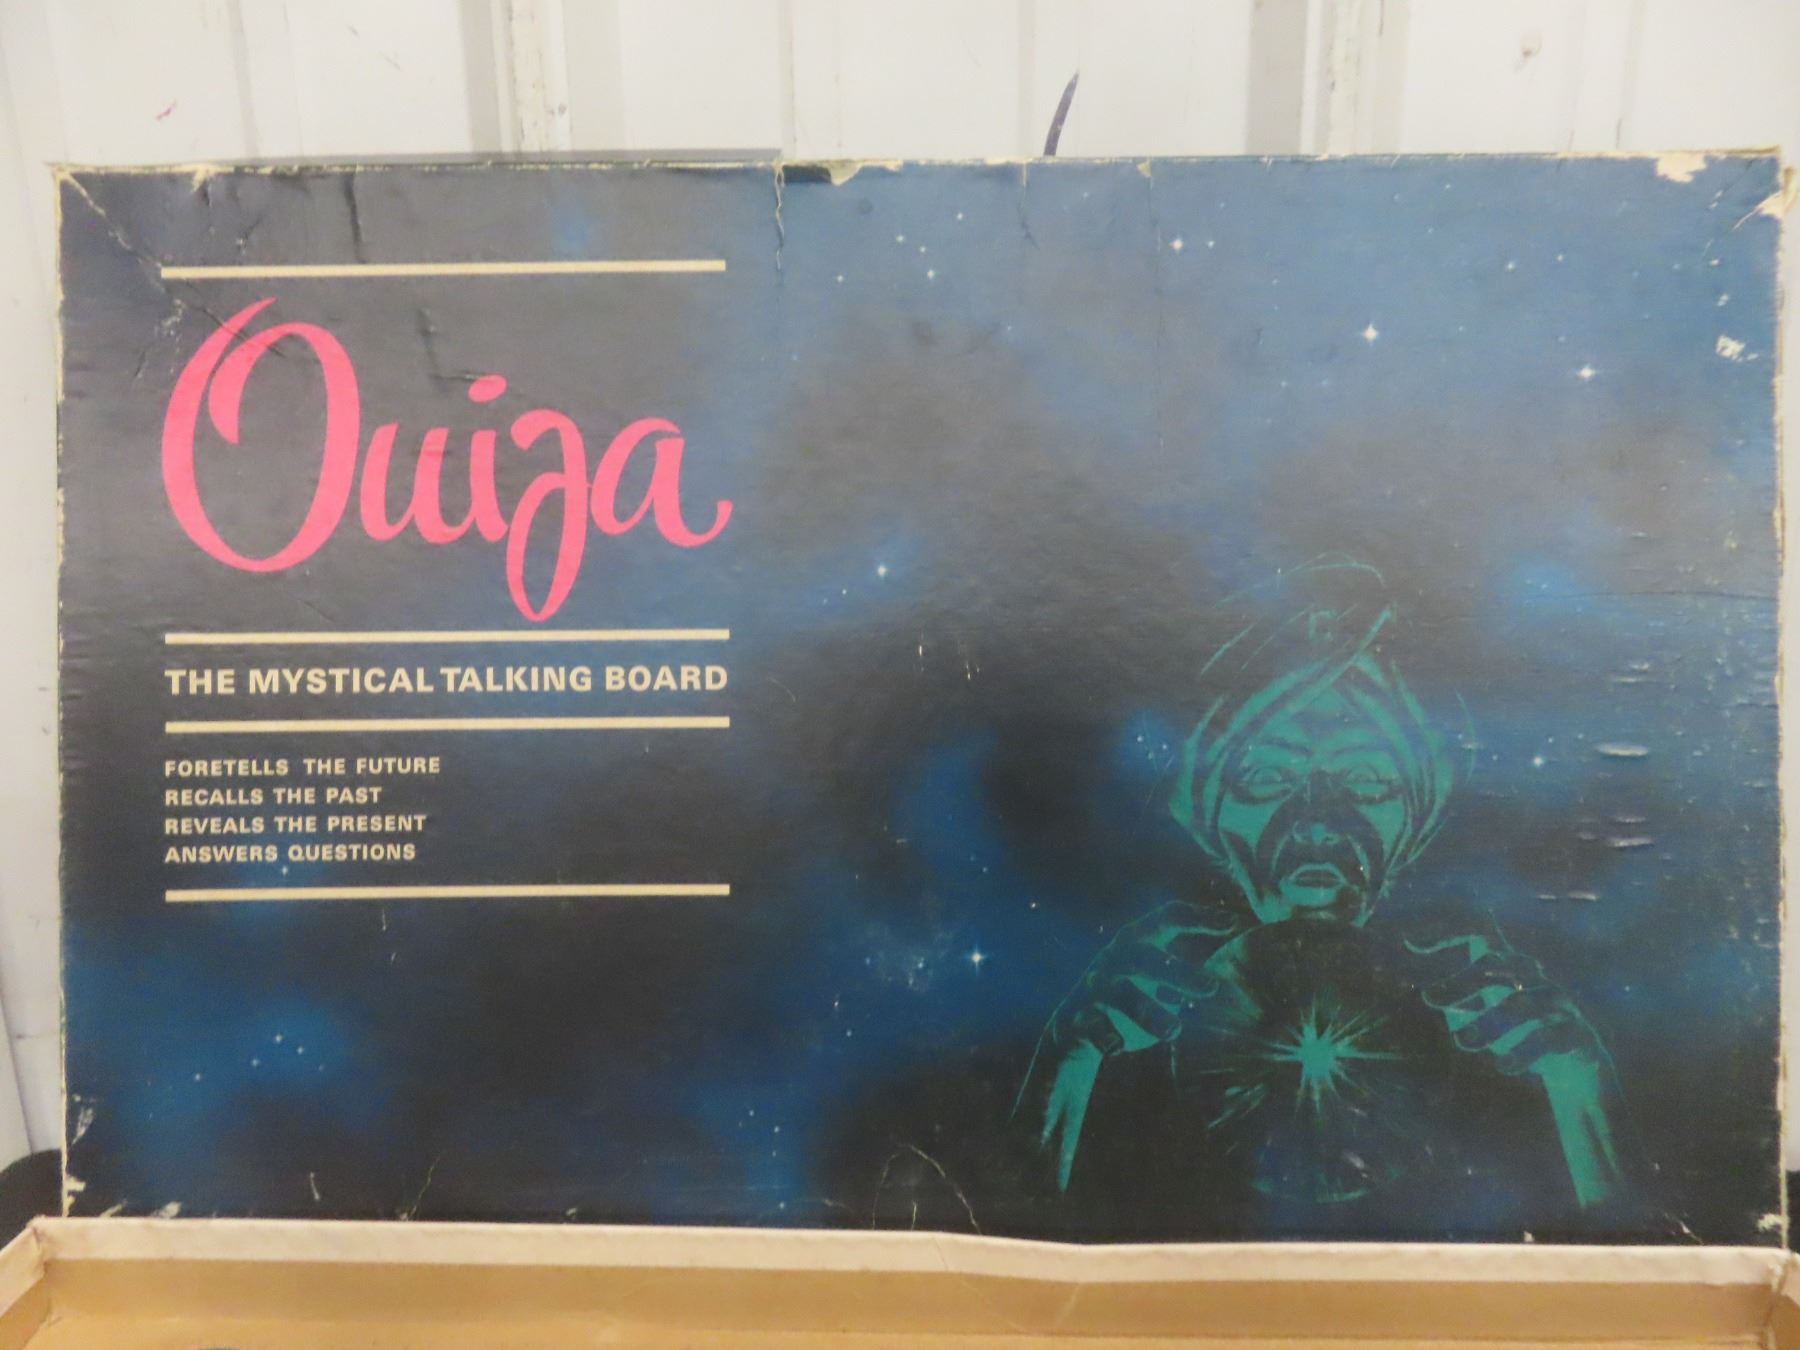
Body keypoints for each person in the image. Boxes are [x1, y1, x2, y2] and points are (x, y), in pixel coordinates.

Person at [1012, 558, 1641, 1233]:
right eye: (1266, 777)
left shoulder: (1498, 1027)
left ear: (1415, 816)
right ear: (1212, 812)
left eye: (1366, 780)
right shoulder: (1131, 1022)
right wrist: (1070, 1065)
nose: (1315, 820)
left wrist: (1576, 1086)